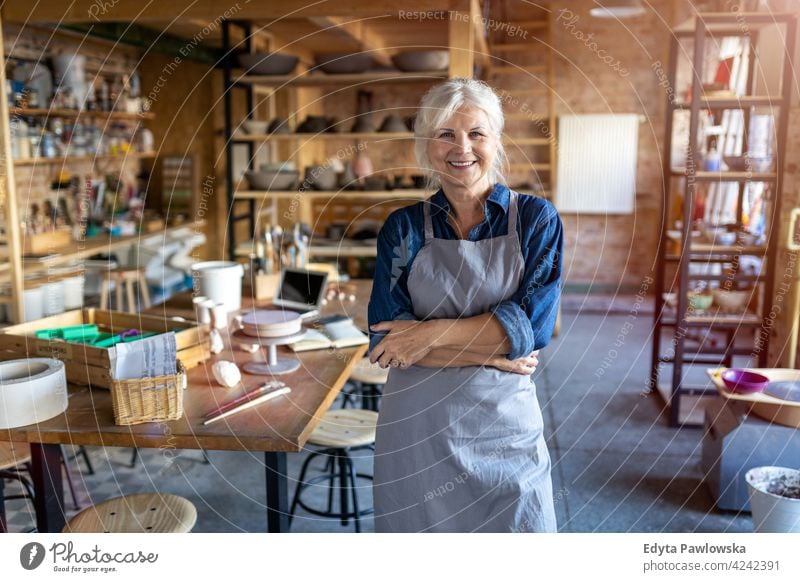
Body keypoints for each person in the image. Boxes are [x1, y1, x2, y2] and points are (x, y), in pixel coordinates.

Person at [367, 78, 564, 533]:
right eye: (445, 134)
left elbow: (530, 329)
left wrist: (426, 336)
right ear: (427, 146)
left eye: (476, 133)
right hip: (418, 431)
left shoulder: (535, 220)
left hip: (504, 431)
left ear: (496, 140)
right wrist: (496, 351)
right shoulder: (403, 227)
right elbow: (384, 341)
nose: (462, 148)